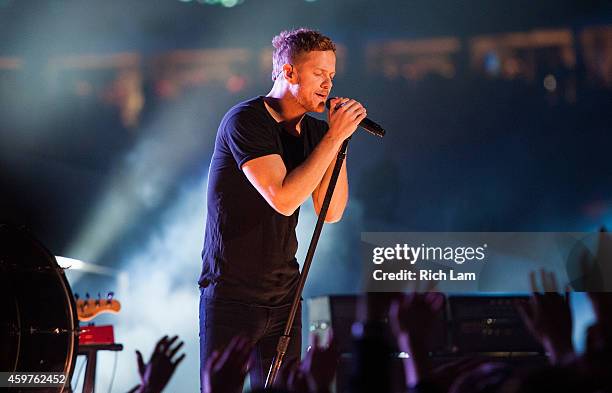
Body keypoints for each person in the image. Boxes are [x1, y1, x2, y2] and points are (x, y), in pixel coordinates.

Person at [198, 27, 367, 391]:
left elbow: (330, 211)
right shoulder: (246, 121)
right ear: (288, 71)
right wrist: (333, 137)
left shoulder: (314, 134)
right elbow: (284, 197)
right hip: (232, 296)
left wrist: (337, 143)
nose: (328, 85)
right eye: (319, 74)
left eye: (332, 77)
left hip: (284, 299)